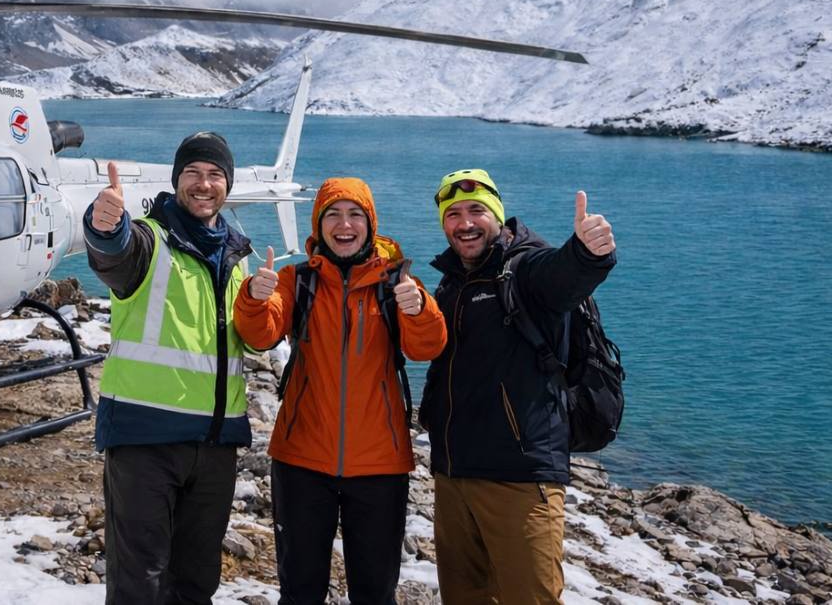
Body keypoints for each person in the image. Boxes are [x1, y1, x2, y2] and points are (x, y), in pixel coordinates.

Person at [234, 177, 448, 605]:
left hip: (380, 466)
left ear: (370, 224)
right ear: (318, 224)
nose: (344, 224)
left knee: (374, 592)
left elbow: (427, 346)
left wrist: (420, 310)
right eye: (333, 214)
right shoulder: (297, 279)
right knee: (300, 591)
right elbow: (261, 334)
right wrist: (255, 299)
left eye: (355, 215)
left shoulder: (398, 282)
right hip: (301, 461)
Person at [419, 168, 617, 604]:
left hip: (520, 481)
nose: (465, 223)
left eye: (476, 211)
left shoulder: (524, 268)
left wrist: (586, 255)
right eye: (453, 214)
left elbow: (561, 277)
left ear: (497, 215)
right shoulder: (454, 279)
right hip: (454, 477)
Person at [84, 131, 253, 605]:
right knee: (141, 582)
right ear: (177, 180)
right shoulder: (150, 240)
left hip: (217, 445)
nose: (204, 184)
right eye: (193, 174)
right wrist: (104, 228)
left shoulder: (236, 255)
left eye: (215, 175)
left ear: (228, 184)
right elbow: (116, 254)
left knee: (196, 581)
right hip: (146, 439)